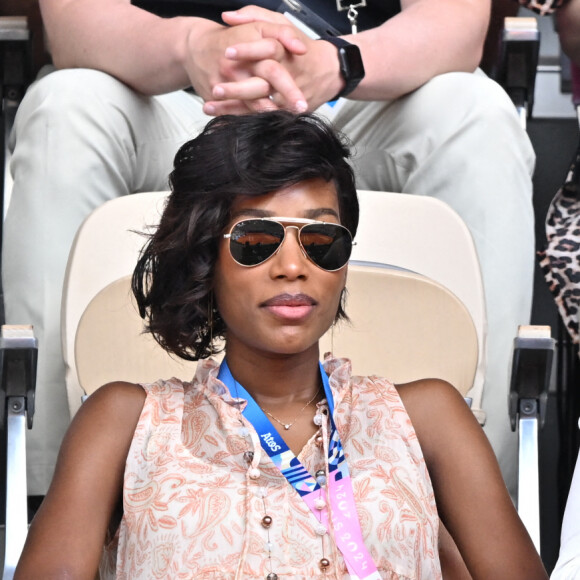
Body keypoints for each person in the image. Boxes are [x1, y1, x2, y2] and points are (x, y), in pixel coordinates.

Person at [2, 0, 536, 499]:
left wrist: (340, 61)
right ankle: (51, 497)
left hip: (360, 93)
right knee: (64, 107)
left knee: (479, 115)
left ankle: (481, 497)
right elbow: (71, 23)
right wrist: (189, 45)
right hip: (166, 89)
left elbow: (460, 22)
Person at [14, 110, 546, 580]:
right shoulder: (124, 422)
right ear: (206, 259)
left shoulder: (428, 417)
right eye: (256, 241)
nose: (293, 267)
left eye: (320, 241)